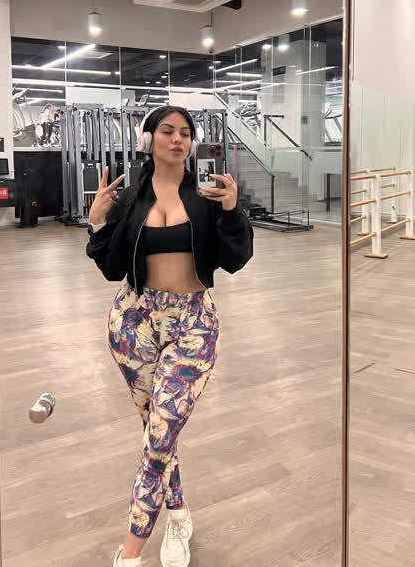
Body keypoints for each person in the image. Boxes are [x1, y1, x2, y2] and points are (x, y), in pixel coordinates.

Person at [86, 106, 254, 567]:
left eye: (184, 133)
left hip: (193, 324)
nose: (177, 139)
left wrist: (232, 211)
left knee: (161, 430)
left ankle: (129, 554)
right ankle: (177, 514)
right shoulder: (130, 199)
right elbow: (112, 268)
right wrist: (97, 222)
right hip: (133, 322)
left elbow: (236, 259)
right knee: (156, 432)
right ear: (149, 140)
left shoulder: (206, 197)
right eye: (167, 131)